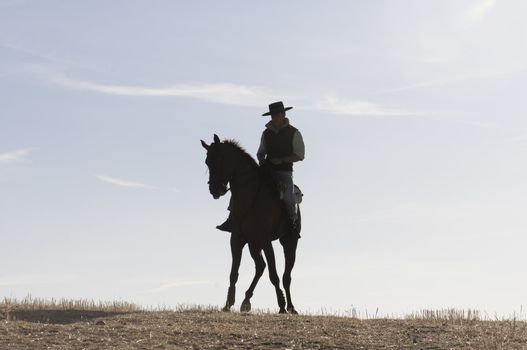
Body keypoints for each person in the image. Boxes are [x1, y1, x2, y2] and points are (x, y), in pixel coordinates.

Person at [216, 101, 305, 234]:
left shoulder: (294, 132)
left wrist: (281, 160)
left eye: (278, 114)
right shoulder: (266, 133)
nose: (275, 117)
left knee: (287, 194)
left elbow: (300, 154)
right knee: (240, 187)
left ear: (284, 114)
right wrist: (262, 161)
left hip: (284, 172)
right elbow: (261, 152)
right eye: (273, 115)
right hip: (266, 170)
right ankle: (231, 219)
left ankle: (291, 222)